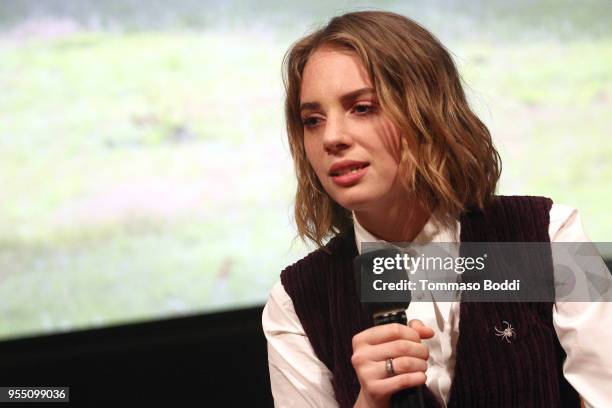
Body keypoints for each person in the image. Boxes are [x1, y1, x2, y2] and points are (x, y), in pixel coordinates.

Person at [262, 10, 611, 408]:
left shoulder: (552, 236)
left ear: (426, 112)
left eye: (362, 107)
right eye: (312, 120)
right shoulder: (295, 303)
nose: (332, 137)